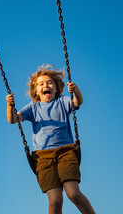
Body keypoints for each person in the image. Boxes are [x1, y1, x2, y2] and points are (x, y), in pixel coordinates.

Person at [6, 65, 95, 214]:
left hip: (66, 152)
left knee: (73, 193)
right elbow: (13, 119)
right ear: (36, 91)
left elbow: (77, 102)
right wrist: (10, 105)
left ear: (56, 88)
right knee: (55, 200)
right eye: (41, 84)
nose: (45, 86)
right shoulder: (33, 108)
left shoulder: (62, 101)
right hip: (43, 158)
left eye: (49, 83)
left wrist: (76, 91)